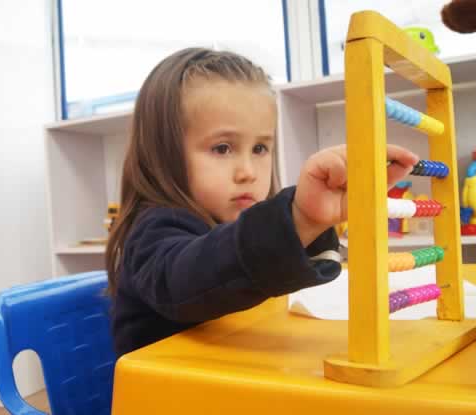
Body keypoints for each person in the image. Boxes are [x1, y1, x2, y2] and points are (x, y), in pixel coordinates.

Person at [106, 48, 418, 357]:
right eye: (222, 148)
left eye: (259, 149)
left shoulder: (233, 219)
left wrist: (309, 228)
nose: (248, 172)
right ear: (162, 153)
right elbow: (188, 277)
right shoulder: (153, 230)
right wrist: (301, 219)